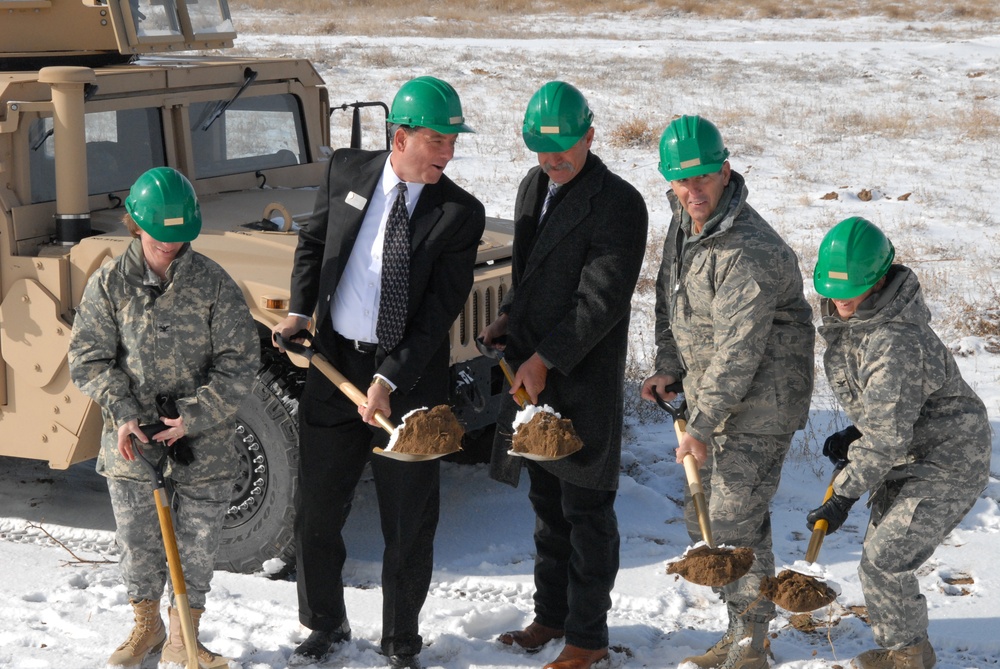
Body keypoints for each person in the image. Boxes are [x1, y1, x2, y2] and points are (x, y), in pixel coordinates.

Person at [271, 76, 485, 669]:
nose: (448, 153)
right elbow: (313, 242)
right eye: (437, 140)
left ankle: (400, 642)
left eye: (452, 141)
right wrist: (297, 310)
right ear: (400, 137)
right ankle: (323, 623)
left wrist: (387, 380)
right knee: (317, 507)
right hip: (335, 364)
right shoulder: (346, 171)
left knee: (408, 521)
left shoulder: (459, 214)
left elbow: (437, 316)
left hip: (410, 383)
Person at [484, 81, 648, 669]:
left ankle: (587, 638)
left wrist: (546, 358)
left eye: (564, 151)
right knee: (547, 508)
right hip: (532, 377)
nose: (553, 163)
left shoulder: (619, 204)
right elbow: (530, 272)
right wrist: (508, 317)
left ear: (590, 136)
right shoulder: (535, 185)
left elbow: (599, 301)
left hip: (580, 378)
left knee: (586, 512)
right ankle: (550, 616)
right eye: (542, 151)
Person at [640, 115, 814, 669]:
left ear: (726, 170)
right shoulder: (683, 222)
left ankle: (750, 646)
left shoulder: (749, 250)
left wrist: (699, 424)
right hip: (716, 396)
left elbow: (740, 352)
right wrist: (670, 366)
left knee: (731, 525)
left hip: (762, 402)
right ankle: (748, 625)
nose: (693, 191)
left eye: (703, 179)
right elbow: (671, 304)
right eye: (681, 180)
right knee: (711, 523)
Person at [68, 166, 259, 669]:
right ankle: (147, 629)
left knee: (197, 548)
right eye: (160, 239)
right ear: (135, 225)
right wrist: (126, 414)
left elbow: (240, 363)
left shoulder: (215, 283)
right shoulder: (109, 283)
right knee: (137, 543)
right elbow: (88, 359)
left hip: (204, 441)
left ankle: (184, 640)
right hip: (132, 441)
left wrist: (193, 416)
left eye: (180, 239)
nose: (170, 248)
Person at [807, 217, 990, 669]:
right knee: (880, 560)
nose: (839, 299)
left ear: (881, 278)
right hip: (909, 449)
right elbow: (890, 415)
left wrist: (844, 494)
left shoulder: (895, 340)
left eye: (851, 289)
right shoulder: (860, 319)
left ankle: (909, 657)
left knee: (885, 559)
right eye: (831, 289)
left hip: (949, 460)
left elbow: (888, 435)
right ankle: (904, 649)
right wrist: (857, 432)